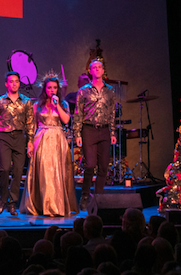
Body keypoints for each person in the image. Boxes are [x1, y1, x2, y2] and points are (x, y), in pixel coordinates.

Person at [19, 75, 78, 216]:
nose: (52, 90)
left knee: (58, 172)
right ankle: (43, 205)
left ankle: (57, 205)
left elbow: (66, 120)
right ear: (45, 89)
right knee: (44, 172)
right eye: (49, 87)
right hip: (42, 138)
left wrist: (56, 105)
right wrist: (30, 144)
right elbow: (32, 126)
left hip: (58, 139)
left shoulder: (63, 104)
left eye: (55, 88)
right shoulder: (36, 105)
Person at [73, 59, 119, 210]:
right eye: (95, 67)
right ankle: (85, 195)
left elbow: (112, 112)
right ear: (90, 71)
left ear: (103, 70)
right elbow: (78, 113)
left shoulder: (110, 90)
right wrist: (77, 133)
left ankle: (98, 197)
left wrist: (112, 132)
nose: (98, 69)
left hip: (104, 130)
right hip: (89, 129)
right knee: (90, 165)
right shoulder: (83, 91)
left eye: (100, 67)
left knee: (104, 166)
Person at [0, 71, 35, 216]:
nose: (14, 84)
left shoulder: (26, 101)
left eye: (16, 81)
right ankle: (2, 199)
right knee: (4, 169)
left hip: (19, 138)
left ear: (19, 83)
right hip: (4, 137)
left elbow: (30, 123)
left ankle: (12, 203)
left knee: (18, 171)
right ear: (6, 84)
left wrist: (30, 142)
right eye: (11, 81)